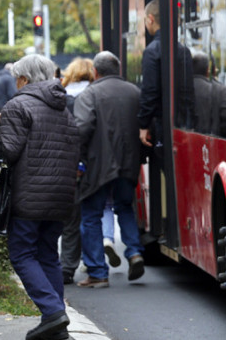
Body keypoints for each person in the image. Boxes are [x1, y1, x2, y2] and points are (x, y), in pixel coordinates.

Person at [0, 54, 78, 340]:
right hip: (61, 195)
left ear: (24, 79)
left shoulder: (17, 105)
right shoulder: (65, 107)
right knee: (48, 253)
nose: (15, 83)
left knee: (22, 253)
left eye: (17, 78)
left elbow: (8, 151)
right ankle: (56, 326)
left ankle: (53, 312)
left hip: (29, 196)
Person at [74, 51, 146, 287]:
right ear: (118, 68)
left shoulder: (90, 94)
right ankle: (134, 252)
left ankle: (97, 272)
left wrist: (78, 160)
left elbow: (82, 128)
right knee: (125, 207)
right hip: (129, 163)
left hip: (98, 166)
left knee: (91, 216)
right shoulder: (135, 93)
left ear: (96, 71)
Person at [57, 57, 95, 284]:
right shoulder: (93, 96)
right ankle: (71, 266)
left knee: (60, 219)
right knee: (78, 218)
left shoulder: (60, 97)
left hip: (58, 164)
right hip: (84, 165)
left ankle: (57, 265)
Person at [138, 0, 195, 149]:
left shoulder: (152, 52)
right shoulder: (184, 51)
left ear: (150, 19)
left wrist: (143, 124)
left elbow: (150, 91)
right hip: (183, 124)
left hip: (161, 125)